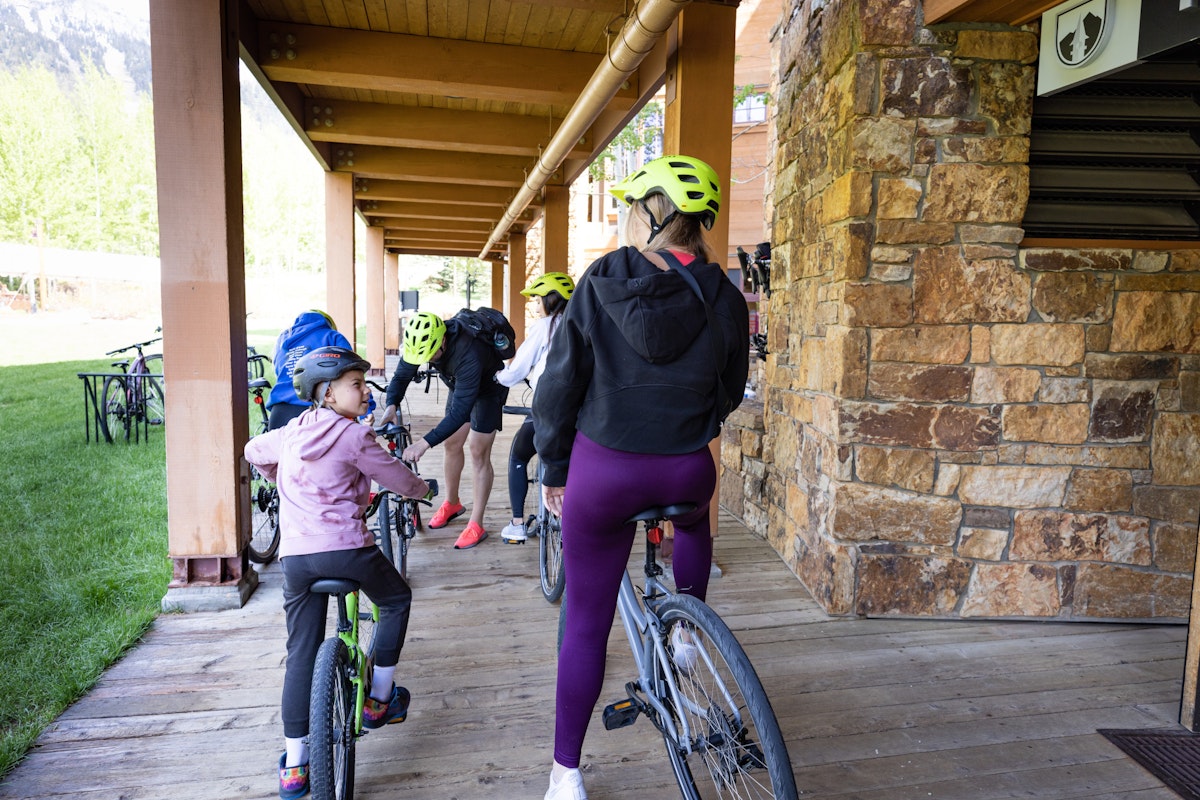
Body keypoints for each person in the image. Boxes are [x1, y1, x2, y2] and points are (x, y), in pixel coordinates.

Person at [532, 155, 749, 800]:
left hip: (604, 474)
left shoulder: (601, 280)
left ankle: (565, 773)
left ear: (652, 211)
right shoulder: (726, 294)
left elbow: (558, 387)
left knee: (586, 622)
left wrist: (554, 464)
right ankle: (686, 631)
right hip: (685, 467)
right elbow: (730, 391)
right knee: (692, 524)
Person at [243, 346, 431, 800]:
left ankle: (294, 765)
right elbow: (395, 478)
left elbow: (252, 450)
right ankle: (379, 699)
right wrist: (422, 489)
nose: (365, 392)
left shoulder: (290, 434)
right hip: (347, 552)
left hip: (297, 561)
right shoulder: (353, 436)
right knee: (395, 600)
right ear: (327, 394)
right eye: (356, 385)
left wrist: (280, 479)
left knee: (300, 654)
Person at [380, 310, 509, 550]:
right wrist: (391, 404)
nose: (426, 360)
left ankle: (476, 523)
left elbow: (460, 413)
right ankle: (452, 503)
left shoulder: (469, 353)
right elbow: (401, 376)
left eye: (430, 355)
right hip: (459, 383)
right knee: (452, 443)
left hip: (488, 389)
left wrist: (424, 442)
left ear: (442, 340)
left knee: (478, 451)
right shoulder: (419, 341)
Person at [493, 272, 575, 544]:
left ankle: (517, 523)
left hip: (549, 405)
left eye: (539, 299)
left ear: (551, 301)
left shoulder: (547, 325)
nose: (537, 305)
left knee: (519, 455)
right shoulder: (582, 323)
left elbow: (518, 369)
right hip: (582, 408)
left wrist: (498, 377)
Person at [266, 309, 373, 430]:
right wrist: (366, 410)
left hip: (279, 413)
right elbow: (353, 372)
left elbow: (279, 373)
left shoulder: (283, 341)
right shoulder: (332, 336)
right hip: (315, 413)